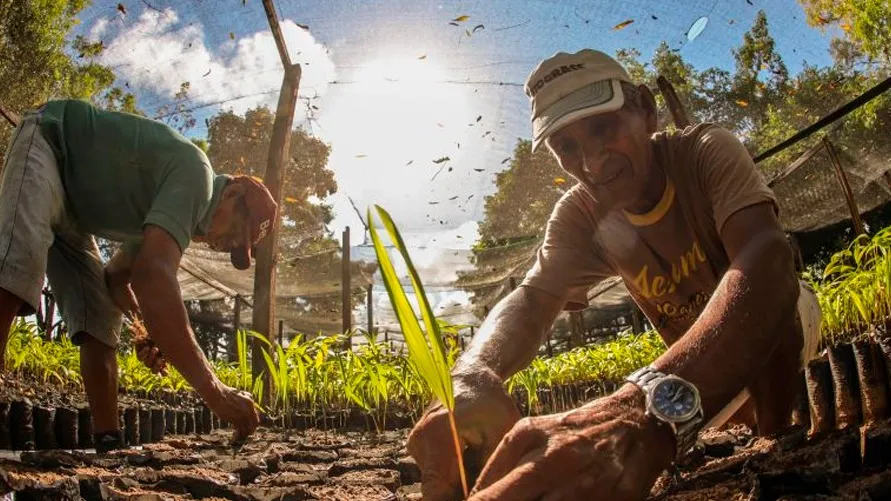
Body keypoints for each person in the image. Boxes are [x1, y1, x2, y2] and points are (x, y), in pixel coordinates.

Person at [406, 49, 822, 500]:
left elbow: (767, 261)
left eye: (603, 128)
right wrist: (472, 371)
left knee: (766, 327)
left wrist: (640, 406)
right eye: (566, 146)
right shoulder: (579, 215)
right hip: (695, 363)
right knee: (724, 414)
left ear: (645, 109)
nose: (593, 161)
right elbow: (532, 298)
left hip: (786, 322)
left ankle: (781, 438)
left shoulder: (703, 152)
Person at [0, 99, 275, 451]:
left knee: (98, 315)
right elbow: (153, 276)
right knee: (15, 270)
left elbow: (117, 277)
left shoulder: (172, 218)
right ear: (233, 192)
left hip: (75, 216)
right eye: (237, 233)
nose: (224, 245)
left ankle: (108, 440)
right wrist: (215, 391)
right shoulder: (197, 175)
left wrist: (145, 331)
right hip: (51, 145)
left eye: (235, 248)